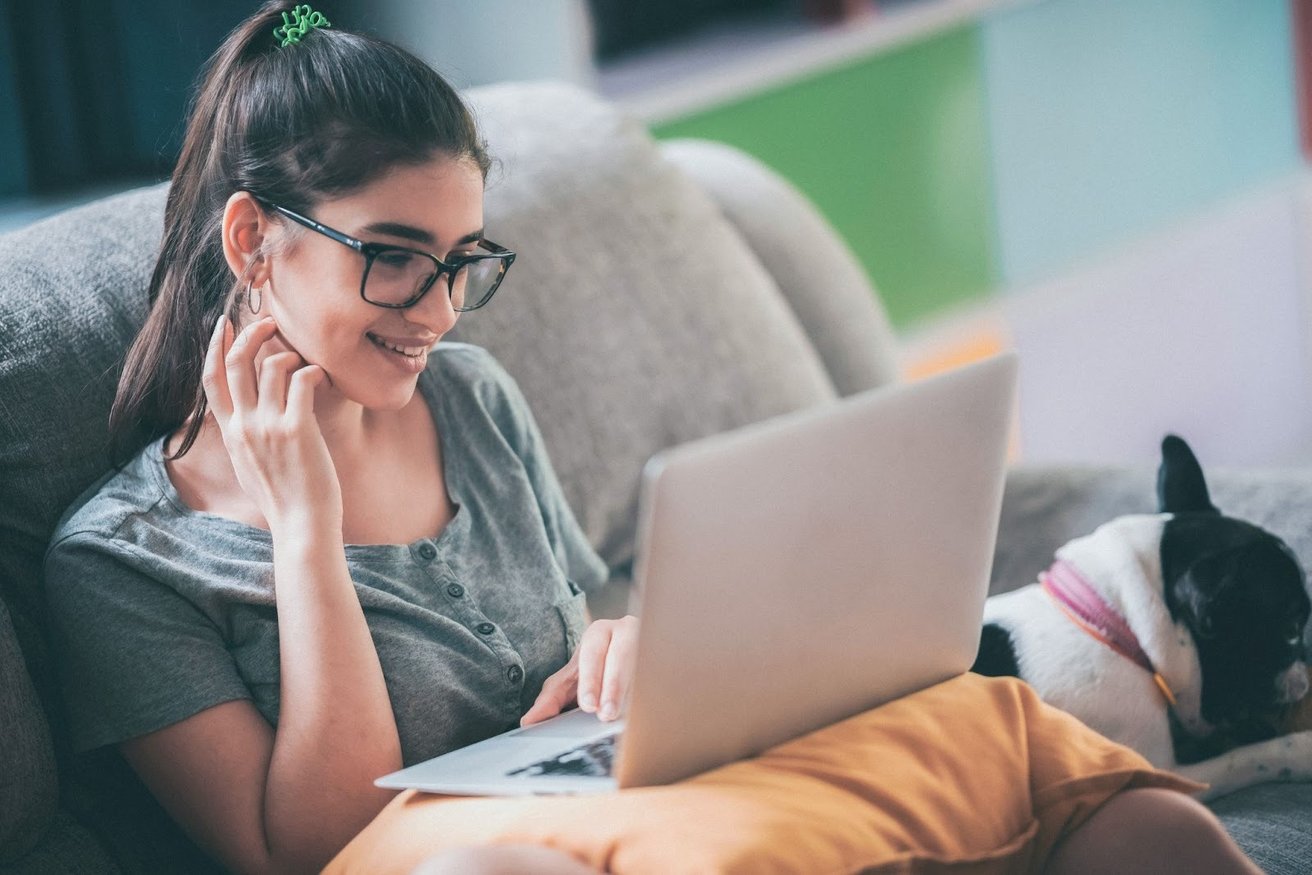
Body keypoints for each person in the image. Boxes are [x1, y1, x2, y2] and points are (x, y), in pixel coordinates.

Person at [42, 4, 1264, 874]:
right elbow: (309, 846)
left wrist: (626, 640)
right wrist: (307, 532)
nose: (439, 311)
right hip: (468, 856)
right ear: (256, 240)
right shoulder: (119, 565)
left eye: (464, 262)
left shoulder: (465, 398)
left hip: (642, 791)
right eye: (395, 259)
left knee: (1044, 763)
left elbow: (588, 630)